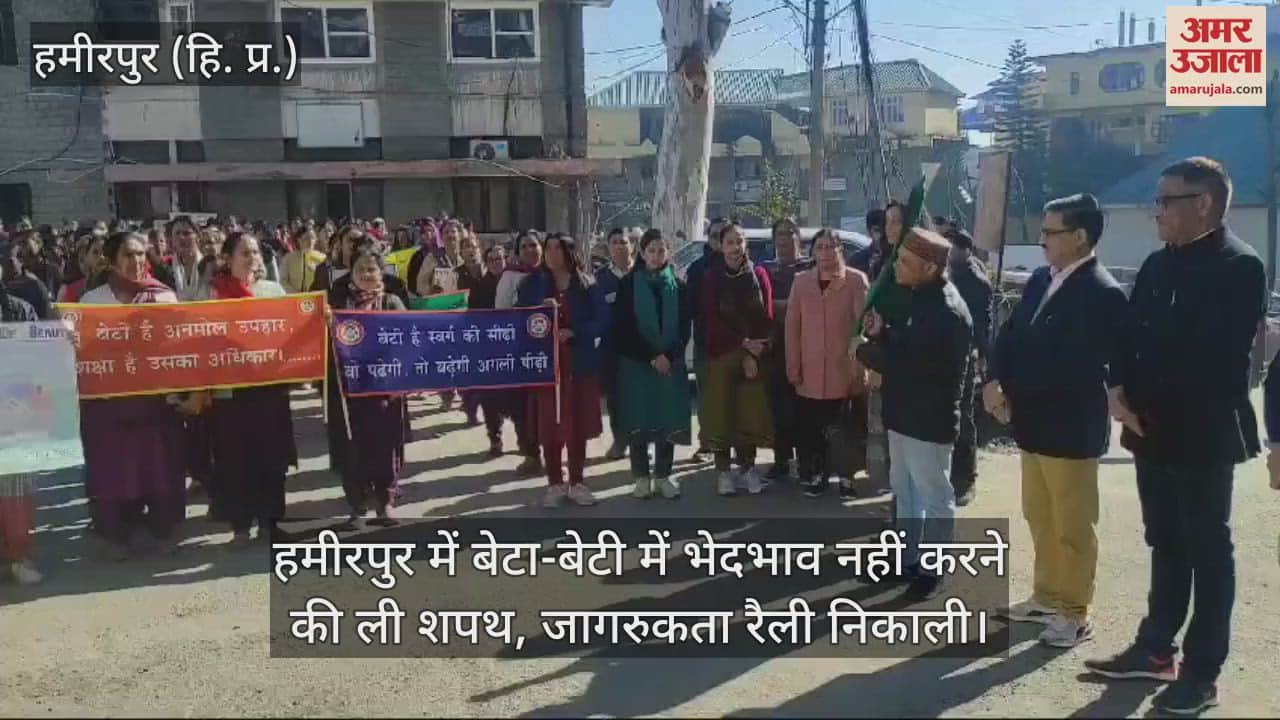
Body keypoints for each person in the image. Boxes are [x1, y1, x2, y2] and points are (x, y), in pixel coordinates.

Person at [1085, 157, 1266, 715]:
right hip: (1148, 429)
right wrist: (1116, 390)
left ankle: (1201, 670)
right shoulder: (1157, 265)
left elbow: (1217, 362)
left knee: (1208, 551)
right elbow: (1126, 335)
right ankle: (1155, 647)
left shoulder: (1239, 266)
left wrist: (1146, 404)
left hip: (1202, 430)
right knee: (1165, 540)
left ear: (1204, 203)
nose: (1156, 210)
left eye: (1166, 200)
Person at [985, 193, 1128, 649]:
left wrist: (1015, 392)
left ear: (1080, 237)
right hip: (1033, 424)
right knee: (1040, 515)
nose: (1041, 239)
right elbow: (1010, 334)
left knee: (1072, 526)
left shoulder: (1101, 292)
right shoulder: (1041, 280)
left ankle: (1074, 610)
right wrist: (994, 380)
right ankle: (1047, 595)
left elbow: (1077, 368)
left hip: (1070, 428)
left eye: (1050, 232)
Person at [855, 228, 971, 601]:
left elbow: (911, 364)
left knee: (934, 496)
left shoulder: (947, 311)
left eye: (904, 262)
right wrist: (882, 332)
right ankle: (907, 559)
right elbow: (905, 344)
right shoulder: (920, 296)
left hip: (927, 419)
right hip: (903, 413)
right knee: (905, 492)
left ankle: (932, 569)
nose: (896, 267)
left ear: (928, 267)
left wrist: (864, 350)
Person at [79, 232, 188, 560]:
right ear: (111, 260)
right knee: (114, 471)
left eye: (142, 254)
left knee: (161, 469)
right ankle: (118, 536)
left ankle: (163, 531)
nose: (137, 261)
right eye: (129, 255)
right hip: (109, 406)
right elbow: (80, 352)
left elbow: (181, 348)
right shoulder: (92, 302)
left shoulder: (164, 298)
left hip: (156, 404)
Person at [193, 232, 298, 546]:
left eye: (256, 252)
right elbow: (200, 338)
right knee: (234, 460)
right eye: (245, 253)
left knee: (272, 457)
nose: (253, 258)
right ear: (227, 258)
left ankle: (270, 521)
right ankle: (240, 525)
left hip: (269, 387)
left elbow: (291, 330)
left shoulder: (273, 291)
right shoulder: (211, 294)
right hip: (230, 391)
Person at [516, 233, 608, 507]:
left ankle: (577, 481)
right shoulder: (532, 284)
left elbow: (602, 320)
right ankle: (554, 483)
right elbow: (521, 319)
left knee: (576, 425)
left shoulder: (587, 284)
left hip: (578, 364)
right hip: (547, 366)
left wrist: (575, 332)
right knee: (550, 426)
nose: (552, 253)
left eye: (558, 248)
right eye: (549, 248)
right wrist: (541, 318)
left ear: (569, 252)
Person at [786, 228, 869, 499]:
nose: (824, 253)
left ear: (839, 250)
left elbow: (863, 329)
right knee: (814, 429)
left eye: (829, 247)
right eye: (819, 247)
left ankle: (846, 477)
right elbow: (792, 328)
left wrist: (861, 369)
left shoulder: (855, 281)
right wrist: (793, 366)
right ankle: (818, 474)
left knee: (845, 427)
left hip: (843, 370)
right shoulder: (801, 282)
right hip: (809, 371)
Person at [329, 245, 407, 526]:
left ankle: (385, 502)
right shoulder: (338, 303)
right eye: (360, 268)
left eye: (371, 269)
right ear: (351, 273)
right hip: (349, 390)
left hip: (384, 388)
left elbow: (406, 340)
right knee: (353, 447)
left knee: (385, 446)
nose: (365, 274)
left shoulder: (392, 302)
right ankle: (357, 504)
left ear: (380, 273)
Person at [614, 229, 692, 500]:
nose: (657, 256)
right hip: (636, 364)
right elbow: (623, 329)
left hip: (669, 364)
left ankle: (663, 475)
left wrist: (668, 356)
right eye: (651, 251)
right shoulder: (628, 285)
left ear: (668, 253)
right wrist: (651, 355)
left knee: (666, 418)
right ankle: (641, 477)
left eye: (661, 251)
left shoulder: (679, 286)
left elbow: (684, 328)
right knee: (639, 418)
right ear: (642, 253)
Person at [700, 221, 774, 496]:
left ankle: (748, 469)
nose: (735, 247)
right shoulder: (711, 277)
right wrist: (741, 344)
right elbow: (711, 319)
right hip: (722, 354)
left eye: (739, 241)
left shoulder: (759, 274)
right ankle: (723, 472)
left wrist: (757, 349)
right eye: (729, 242)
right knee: (722, 415)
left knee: (749, 413)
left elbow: (766, 317)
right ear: (720, 246)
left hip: (753, 356)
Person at [0, 257, 42, 583]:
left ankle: (19, 557)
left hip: (12, 414)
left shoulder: (19, 310)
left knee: (15, 493)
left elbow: (38, 359)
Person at [944, 227, 992, 507]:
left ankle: (965, 480)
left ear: (964, 250)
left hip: (963, 357)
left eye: (950, 248)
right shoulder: (946, 272)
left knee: (963, 421)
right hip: (941, 355)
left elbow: (981, 327)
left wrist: (984, 359)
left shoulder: (975, 281)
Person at [762, 218, 812, 484]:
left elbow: (813, 308)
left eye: (789, 233)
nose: (784, 238)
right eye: (779, 234)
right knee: (778, 408)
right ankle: (782, 461)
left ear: (798, 238)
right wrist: (792, 307)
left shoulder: (811, 269)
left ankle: (808, 462)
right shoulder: (767, 272)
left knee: (805, 408)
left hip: (808, 349)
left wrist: (783, 308)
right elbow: (762, 309)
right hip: (776, 351)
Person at [497, 231, 546, 475]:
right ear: (517, 251)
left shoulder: (552, 274)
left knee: (547, 406)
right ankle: (530, 454)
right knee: (521, 407)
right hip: (519, 351)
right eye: (524, 246)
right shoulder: (511, 276)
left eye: (534, 245)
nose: (530, 250)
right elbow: (501, 313)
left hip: (549, 352)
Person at [686, 218, 727, 462]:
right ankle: (707, 444)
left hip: (737, 344)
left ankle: (734, 447)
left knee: (737, 397)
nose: (720, 241)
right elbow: (691, 308)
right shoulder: (697, 269)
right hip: (707, 343)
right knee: (707, 397)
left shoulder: (744, 265)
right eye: (714, 236)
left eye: (724, 235)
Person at [595, 227, 635, 460]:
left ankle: (642, 443)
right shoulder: (600, 278)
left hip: (641, 348)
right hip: (611, 349)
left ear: (632, 246)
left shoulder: (642, 272)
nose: (620, 246)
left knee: (640, 397)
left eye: (624, 242)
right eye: (615, 242)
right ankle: (620, 441)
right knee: (615, 398)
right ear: (608, 247)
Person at [470, 244, 512, 457]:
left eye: (500, 258)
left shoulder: (516, 281)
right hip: (489, 350)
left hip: (514, 349)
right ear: (486, 264)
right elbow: (473, 317)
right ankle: (494, 438)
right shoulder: (479, 286)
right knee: (490, 398)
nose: (496, 262)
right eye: (492, 260)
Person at [1, 240, 53, 319]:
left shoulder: (35, 286)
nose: (3, 265)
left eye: (8, 260)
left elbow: (45, 321)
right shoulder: (3, 286)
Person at [166, 217, 209, 300]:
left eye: (186, 233)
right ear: (172, 238)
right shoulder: (166, 267)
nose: (181, 237)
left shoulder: (209, 264)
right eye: (177, 233)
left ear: (198, 237)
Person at [56, 234, 106, 303]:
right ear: (87, 257)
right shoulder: (72, 291)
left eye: (105, 252)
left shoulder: (122, 290)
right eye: (95, 252)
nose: (101, 257)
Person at [281, 227, 327, 295]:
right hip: (294, 297)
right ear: (299, 240)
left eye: (312, 238)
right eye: (306, 238)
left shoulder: (323, 258)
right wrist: (297, 294)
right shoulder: (288, 258)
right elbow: (282, 281)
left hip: (315, 297)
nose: (310, 241)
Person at [849, 209, 885, 278]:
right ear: (869, 231)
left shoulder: (895, 259)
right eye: (877, 230)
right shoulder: (857, 260)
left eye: (884, 230)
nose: (882, 235)